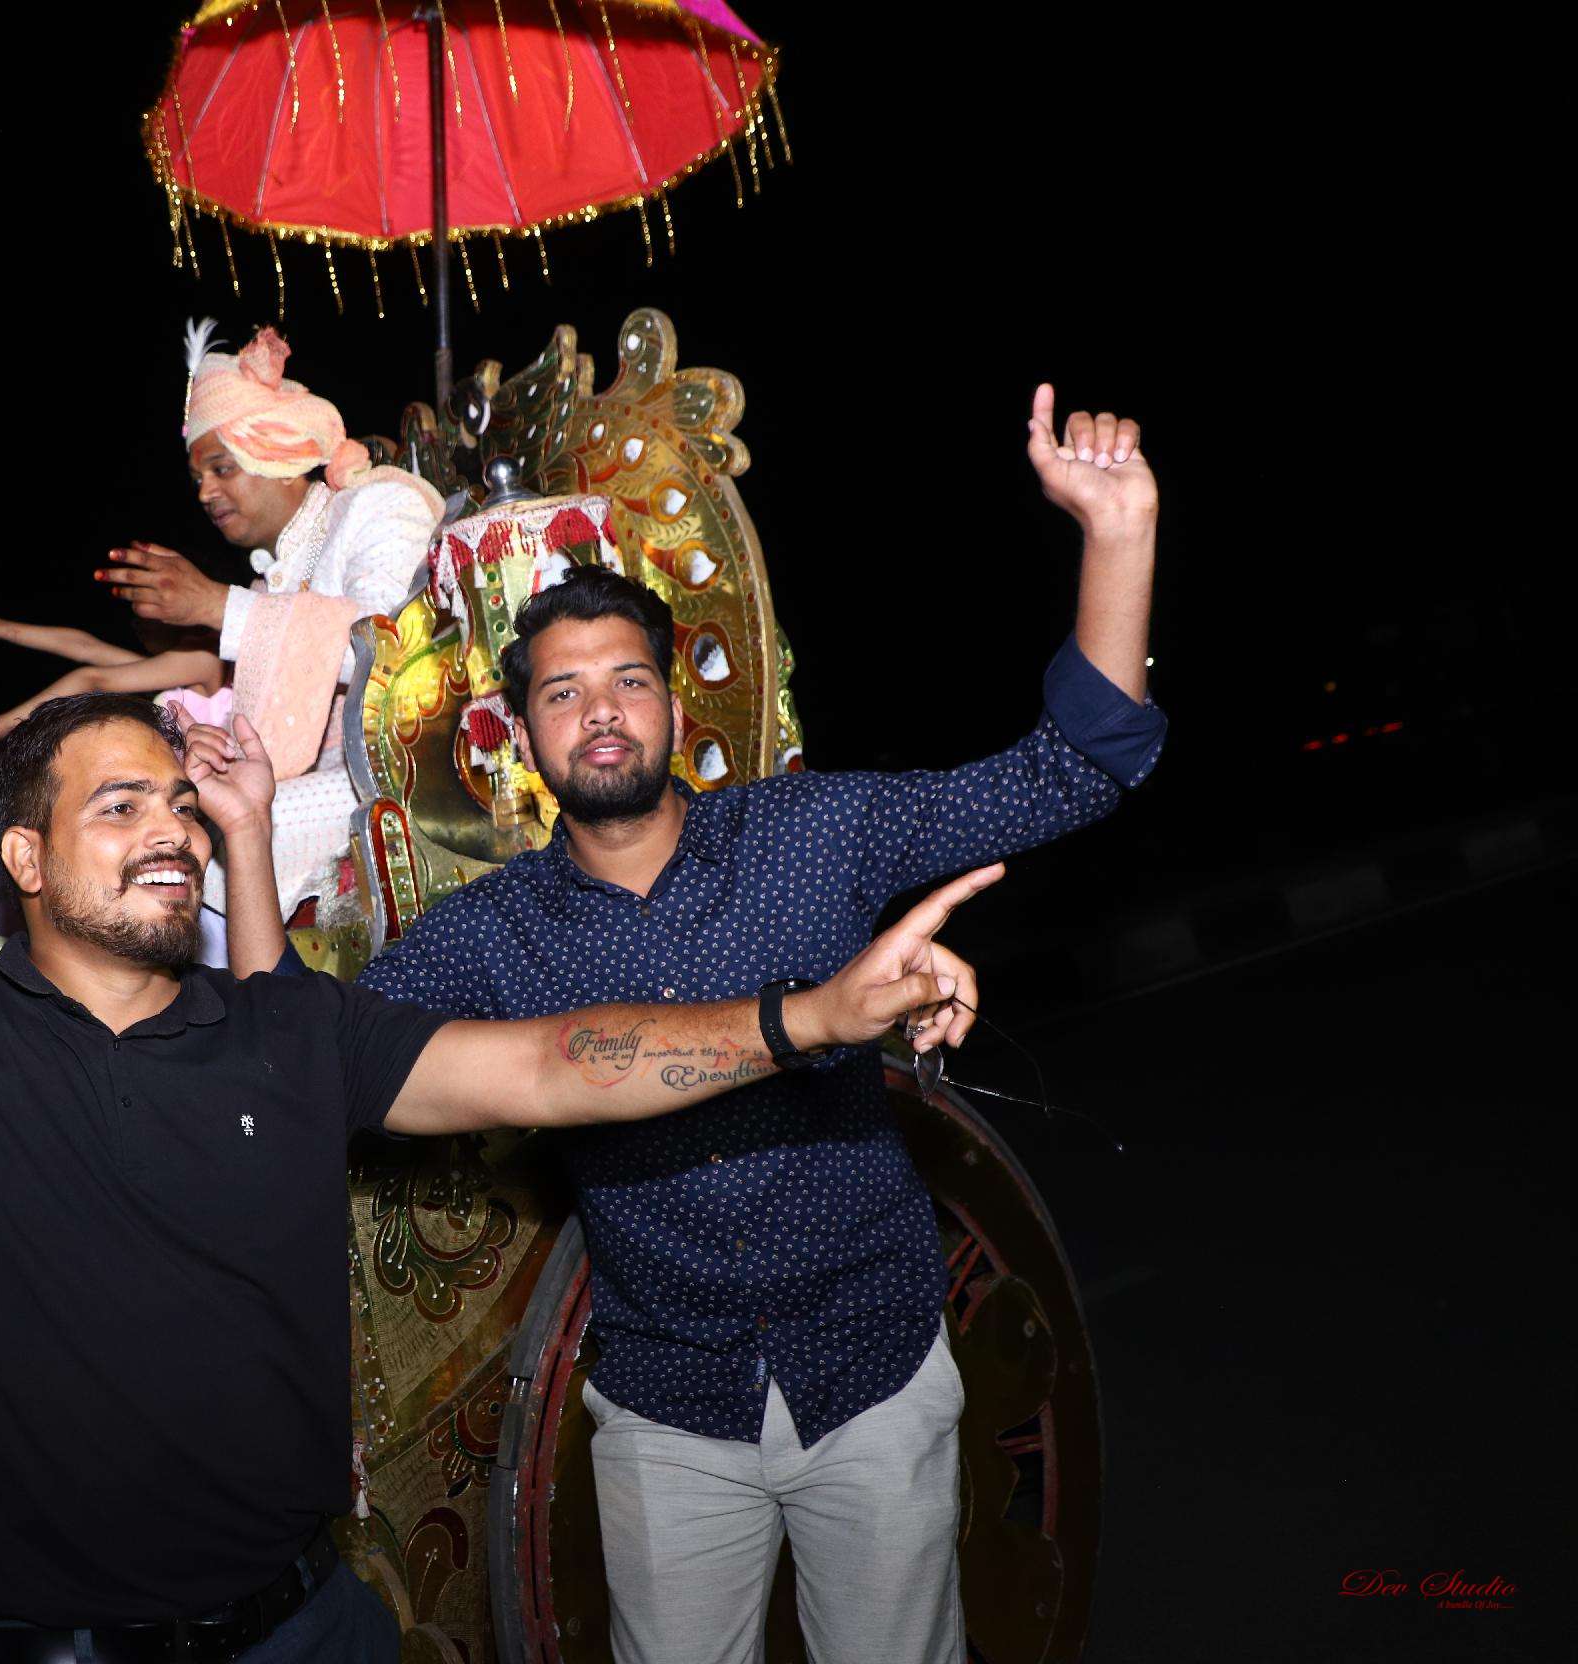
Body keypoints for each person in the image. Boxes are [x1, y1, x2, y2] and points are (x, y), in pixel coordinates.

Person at [0, 453, 994, 1661]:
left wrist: (804, 1021)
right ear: (26, 862)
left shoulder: (286, 1029)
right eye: (116, 802)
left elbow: (562, 1064)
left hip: (314, 1627)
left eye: (179, 802)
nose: (163, 829)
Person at [349, 388, 1167, 1663]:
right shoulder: (493, 933)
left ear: (675, 707)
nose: (602, 710)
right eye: (565, 692)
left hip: (874, 1373)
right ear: (523, 737)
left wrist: (1119, 535)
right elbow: (316, 1049)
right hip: (668, 1412)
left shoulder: (811, 830)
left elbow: (1071, 770)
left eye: (629, 679)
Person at [93, 322, 444, 924]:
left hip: (399, 773)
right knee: (161, 819)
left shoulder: (379, 504)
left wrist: (217, 607)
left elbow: (389, 644)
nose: (205, 493)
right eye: (198, 479)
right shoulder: (274, 578)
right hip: (330, 779)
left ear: (276, 454)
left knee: (210, 831)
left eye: (221, 469)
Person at [0, 559, 227, 761]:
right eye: (136, 614)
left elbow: (92, 677)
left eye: (147, 611)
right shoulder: (179, 671)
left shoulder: (200, 658)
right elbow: (86, 647)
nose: (139, 622)